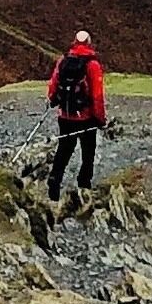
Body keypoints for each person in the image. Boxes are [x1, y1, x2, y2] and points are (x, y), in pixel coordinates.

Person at [44, 29, 107, 200]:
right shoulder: (92, 65)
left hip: (65, 114)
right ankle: (84, 185)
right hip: (86, 118)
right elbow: (97, 95)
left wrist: (53, 100)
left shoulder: (63, 61)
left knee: (64, 149)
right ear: (89, 43)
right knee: (88, 152)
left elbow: (53, 84)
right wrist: (100, 119)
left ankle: (55, 180)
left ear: (74, 42)